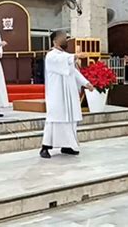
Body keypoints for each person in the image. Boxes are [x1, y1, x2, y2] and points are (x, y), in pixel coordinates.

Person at [40, 30, 94, 159]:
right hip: (57, 94)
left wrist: (86, 83)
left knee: (69, 119)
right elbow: (62, 60)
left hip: (69, 93)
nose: (65, 40)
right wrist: (75, 56)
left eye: (66, 37)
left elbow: (73, 72)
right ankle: (45, 147)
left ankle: (67, 145)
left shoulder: (66, 56)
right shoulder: (51, 55)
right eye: (63, 38)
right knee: (55, 119)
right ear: (54, 41)